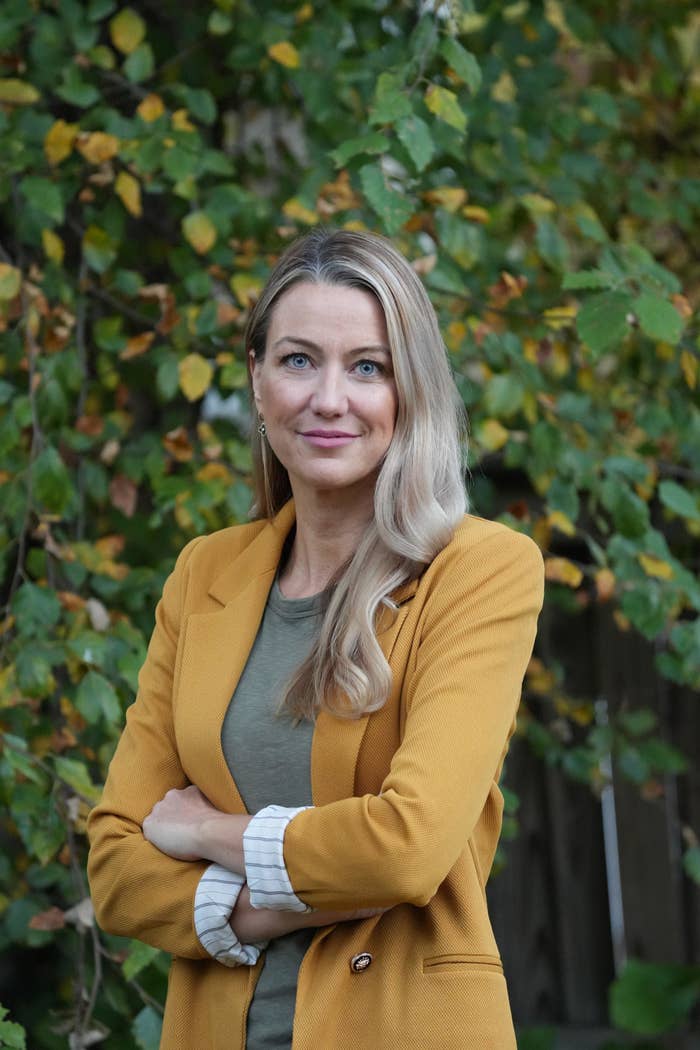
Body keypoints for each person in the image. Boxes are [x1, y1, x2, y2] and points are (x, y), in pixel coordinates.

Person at [87, 227, 544, 1050]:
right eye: (299, 360)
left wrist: (203, 835)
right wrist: (272, 907)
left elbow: (407, 848)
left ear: (411, 391)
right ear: (258, 381)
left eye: (367, 367)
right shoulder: (205, 575)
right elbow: (117, 868)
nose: (329, 399)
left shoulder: (479, 571)